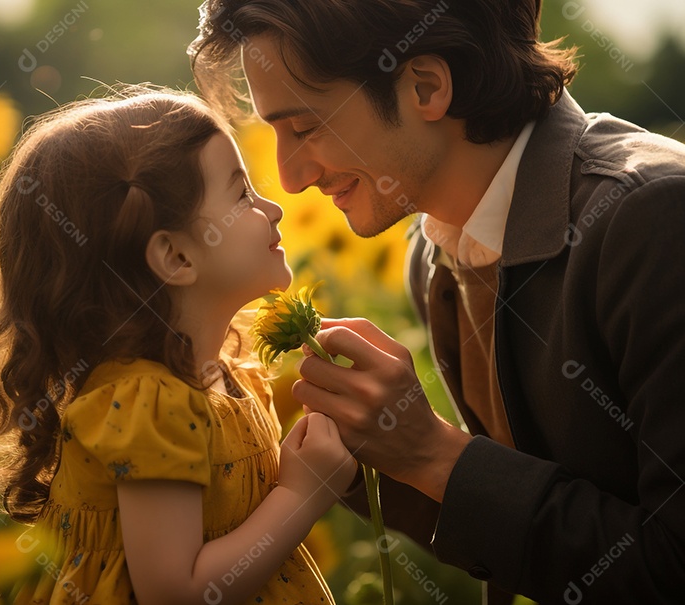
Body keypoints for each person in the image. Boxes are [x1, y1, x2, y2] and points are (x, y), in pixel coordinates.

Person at [190, 0, 685, 603]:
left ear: (425, 86)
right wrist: (367, 450)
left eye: (306, 128)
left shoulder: (653, 220)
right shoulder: (433, 255)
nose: (290, 179)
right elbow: (534, 546)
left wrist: (431, 452)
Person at [0, 89, 357, 605]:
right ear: (174, 256)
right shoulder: (151, 402)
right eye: (241, 196)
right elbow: (177, 592)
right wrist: (305, 495)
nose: (274, 208)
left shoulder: (223, 373)